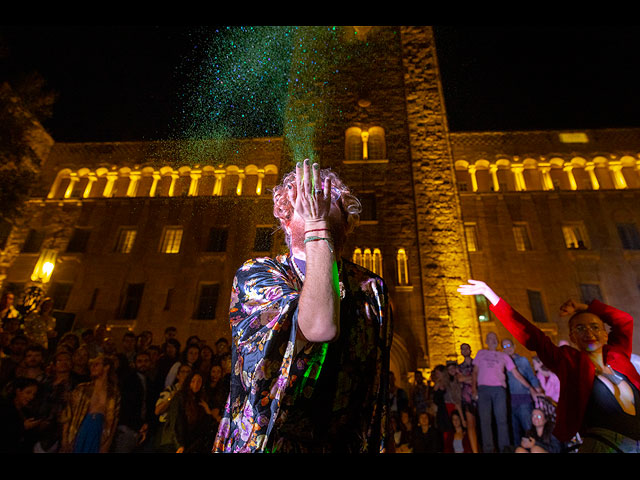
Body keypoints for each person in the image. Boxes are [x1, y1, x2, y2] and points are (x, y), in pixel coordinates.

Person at [213, 162, 392, 453]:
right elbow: (319, 326)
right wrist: (317, 226)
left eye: (327, 195)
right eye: (305, 195)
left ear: (347, 221)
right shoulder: (256, 274)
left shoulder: (370, 288)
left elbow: (376, 395)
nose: (316, 201)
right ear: (285, 219)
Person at [459, 279, 640, 453]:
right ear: (572, 337)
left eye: (595, 327)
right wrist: (490, 295)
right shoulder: (569, 362)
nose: (589, 332)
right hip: (604, 445)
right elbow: (533, 337)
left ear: (605, 334)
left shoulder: (618, 355)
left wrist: (583, 307)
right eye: (580, 328)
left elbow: (624, 320)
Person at [472, 331, 538, 453]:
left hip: (499, 390)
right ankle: (488, 449)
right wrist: (474, 388)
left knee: (502, 420)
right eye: (490, 338)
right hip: (484, 390)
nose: (493, 340)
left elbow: (517, 374)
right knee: (485, 420)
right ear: (486, 341)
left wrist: (531, 388)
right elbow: (475, 372)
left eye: (495, 338)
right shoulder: (481, 353)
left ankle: (505, 449)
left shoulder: (503, 356)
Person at [60, 354, 120, 453]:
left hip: (100, 431)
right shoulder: (82, 389)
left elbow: (114, 421)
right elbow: (68, 413)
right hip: (81, 428)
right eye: (91, 365)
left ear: (106, 367)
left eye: (96, 364)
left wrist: (107, 444)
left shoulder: (113, 393)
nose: (92, 367)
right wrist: (65, 438)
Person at [501, 337, 543, 445]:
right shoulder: (501, 365)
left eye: (509, 345)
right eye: (504, 346)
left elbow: (531, 376)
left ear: (514, 347)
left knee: (529, 430)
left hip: (524, 400)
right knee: (514, 435)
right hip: (509, 404)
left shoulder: (522, 361)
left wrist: (537, 390)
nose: (507, 348)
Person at [111, 351, 155, 453]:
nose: (143, 364)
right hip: (128, 427)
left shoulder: (150, 382)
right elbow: (126, 405)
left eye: (146, 361)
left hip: (144, 429)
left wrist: (147, 424)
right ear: (134, 363)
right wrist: (139, 425)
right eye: (140, 361)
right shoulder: (128, 380)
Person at [171, 371, 215, 453]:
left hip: (193, 444)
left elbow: (206, 426)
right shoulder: (180, 397)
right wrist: (179, 444)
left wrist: (207, 411)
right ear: (188, 382)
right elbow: (175, 421)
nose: (196, 384)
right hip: (178, 443)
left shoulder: (201, 400)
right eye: (193, 381)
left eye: (199, 381)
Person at [154, 363, 192, 453]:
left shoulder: (191, 393)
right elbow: (157, 410)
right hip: (167, 432)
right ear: (178, 375)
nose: (185, 375)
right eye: (183, 372)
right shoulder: (170, 389)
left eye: (188, 372)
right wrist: (172, 397)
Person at [0, 377, 41, 452]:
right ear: (18, 391)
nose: (31, 397)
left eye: (34, 394)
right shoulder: (4, 408)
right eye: (28, 392)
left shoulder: (28, 412)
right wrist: (23, 427)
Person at [456, 343, 479, 453]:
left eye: (466, 348)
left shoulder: (478, 364)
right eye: (462, 349)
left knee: (482, 423)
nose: (464, 350)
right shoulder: (459, 367)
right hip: (467, 398)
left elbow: (481, 377)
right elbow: (459, 379)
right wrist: (474, 378)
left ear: (470, 350)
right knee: (471, 425)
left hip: (480, 397)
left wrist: (467, 378)